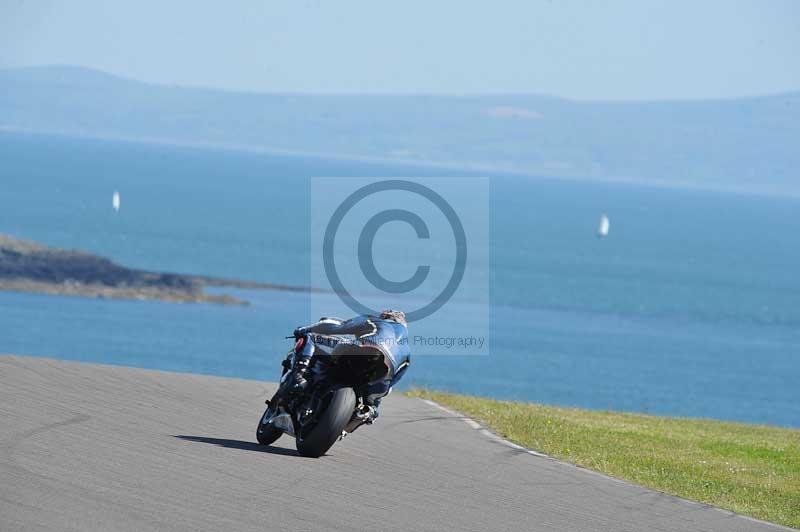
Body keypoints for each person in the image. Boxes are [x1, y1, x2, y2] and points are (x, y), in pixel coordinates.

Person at [289, 309, 411, 422]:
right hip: (384, 369)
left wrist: (305, 330)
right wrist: (374, 405)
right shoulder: (407, 353)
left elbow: (337, 328)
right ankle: (365, 412)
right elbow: (388, 387)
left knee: (311, 337)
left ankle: (299, 375)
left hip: (363, 348)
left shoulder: (373, 320)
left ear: (385, 317)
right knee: (370, 405)